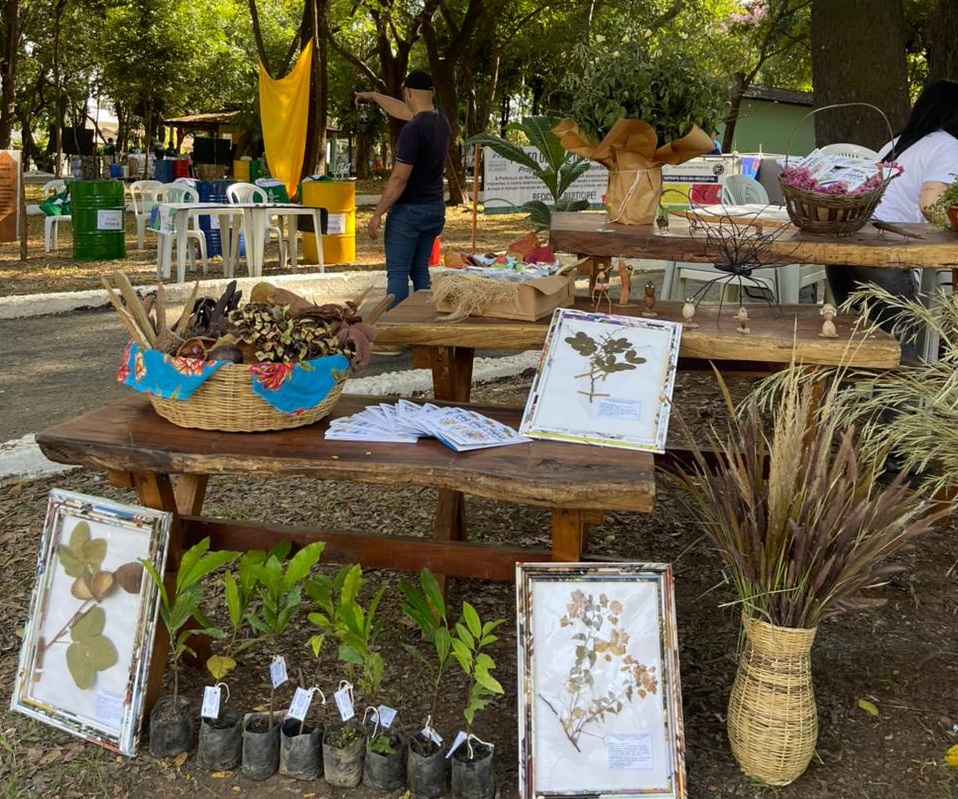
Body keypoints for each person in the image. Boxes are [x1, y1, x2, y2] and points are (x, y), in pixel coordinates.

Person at [825, 79, 958, 362]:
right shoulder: (949, 146)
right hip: (881, 250)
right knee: (904, 348)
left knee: (857, 342)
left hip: (847, 243)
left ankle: (849, 391)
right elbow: (930, 203)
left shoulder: (896, 143)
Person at [354, 70, 450, 309]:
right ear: (432, 93)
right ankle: (423, 321)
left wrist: (377, 214)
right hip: (434, 210)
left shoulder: (412, 130)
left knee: (397, 274)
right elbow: (402, 110)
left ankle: (395, 326)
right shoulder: (440, 119)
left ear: (408, 93)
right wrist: (375, 96)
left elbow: (399, 178)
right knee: (420, 271)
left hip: (408, 213)